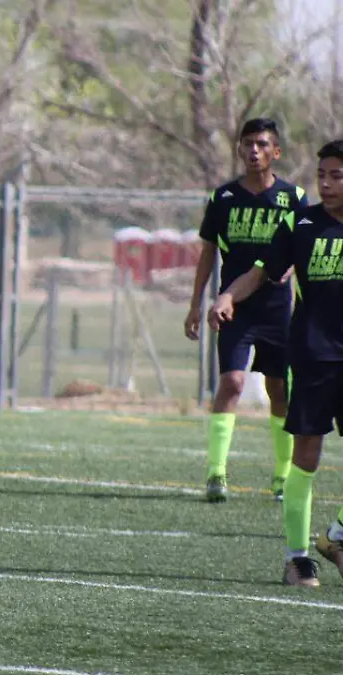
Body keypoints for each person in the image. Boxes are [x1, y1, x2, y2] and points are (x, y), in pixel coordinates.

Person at [209, 139, 343, 587]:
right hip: (313, 356)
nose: (325, 183)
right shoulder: (300, 223)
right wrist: (228, 294)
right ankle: (299, 557)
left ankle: (337, 535)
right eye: (322, 174)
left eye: (336, 176)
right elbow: (261, 271)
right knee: (308, 455)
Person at [185, 118, 308, 503]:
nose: (254, 150)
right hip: (233, 308)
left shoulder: (294, 198)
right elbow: (208, 252)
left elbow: (300, 254)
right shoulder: (223, 198)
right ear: (239, 150)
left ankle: (282, 475)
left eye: (262, 144)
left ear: (276, 152)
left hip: (277, 310)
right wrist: (195, 304)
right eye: (248, 144)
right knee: (232, 383)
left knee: (279, 390)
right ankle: (216, 473)